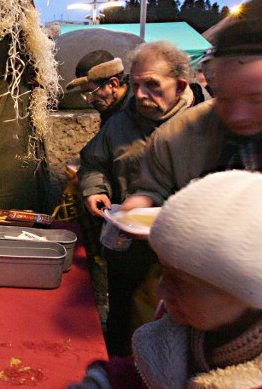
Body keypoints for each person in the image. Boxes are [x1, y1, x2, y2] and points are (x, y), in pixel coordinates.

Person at [69, 170, 262, 389]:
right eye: (163, 272)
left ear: (247, 293)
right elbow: (149, 368)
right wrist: (106, 381)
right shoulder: (178, 327)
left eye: (181, 282)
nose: (161, 291)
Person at [77, 40, 199, 356]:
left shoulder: (204, 125)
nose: (141, 95)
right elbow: (93, 162)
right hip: (128, 247)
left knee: (177, 329)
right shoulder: (119, 124)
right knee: (121, 315)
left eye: (153, 86)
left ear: (180, 85)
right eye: (137, 84)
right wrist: (96, 189)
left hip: (186, 256)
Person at [122, 0, 262, 211]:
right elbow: (154, 188)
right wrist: (144, 200)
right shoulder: (172, 138)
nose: (238, 116)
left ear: (180, 86)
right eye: (224, 98)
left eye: (257, 99)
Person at [65, 50, 131, 126]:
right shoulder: (110, 107)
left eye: (90, 92)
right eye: (85, 95)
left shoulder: (138, 111)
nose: (89, 101)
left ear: (113, 84)